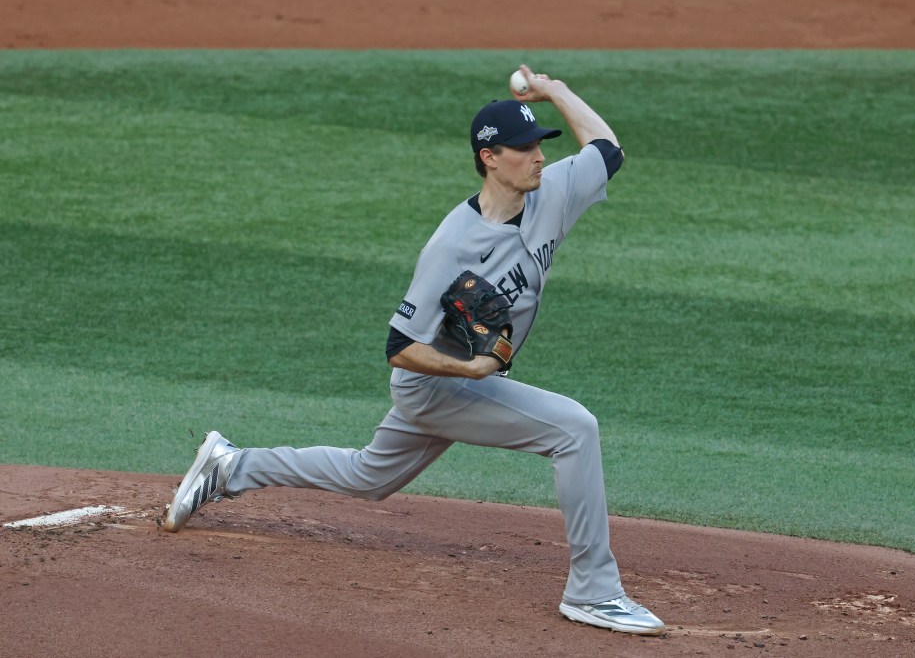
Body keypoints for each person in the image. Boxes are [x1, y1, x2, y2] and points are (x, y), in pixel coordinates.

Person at [159, 64, 666, 636]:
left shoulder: (553, 193)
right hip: (432, 384)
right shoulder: (452, 245)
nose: (538, 157)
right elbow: (399, 347)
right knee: (574, 429)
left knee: (369, 476)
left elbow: (607, 149)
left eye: (539, 144)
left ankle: (229, 465)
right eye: (523, 148)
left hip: (455, 386)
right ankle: (594, 592)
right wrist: (469, 368)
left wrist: (555, 91)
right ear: (489, 158)